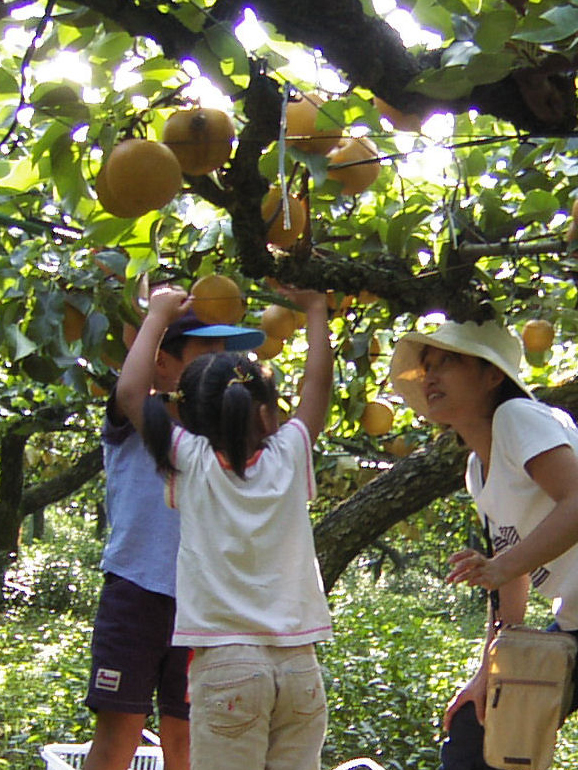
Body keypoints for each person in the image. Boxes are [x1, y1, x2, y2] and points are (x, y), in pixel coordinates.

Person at [115, 284, 334, 770]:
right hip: (300, 666)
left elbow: (131, 393)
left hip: (227, 666)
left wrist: (157, 317)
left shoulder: (190, 461)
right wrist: (316, 308)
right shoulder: (290, 454)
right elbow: (317, 386)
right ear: (266, 413)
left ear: (186, 416)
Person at [389, 318, 578, 770]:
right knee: (477, 729)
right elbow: (509, 583)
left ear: (493, 376)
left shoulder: (517, 418)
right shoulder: (478, 468)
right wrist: (486, 677)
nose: (430, 376)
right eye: (426, 367)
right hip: (574, 622)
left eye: (448, 363)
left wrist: (502, 565)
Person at [84, 303, 265, 770]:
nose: (222, 361)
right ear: (162, 362)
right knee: (117, 738)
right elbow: (129, 388)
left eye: (226, 352)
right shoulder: (141, 419)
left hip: (202, 604)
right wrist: (157, 317)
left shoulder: (221, 432)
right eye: (207, 350)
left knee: (188, 742)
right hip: (136, 593)